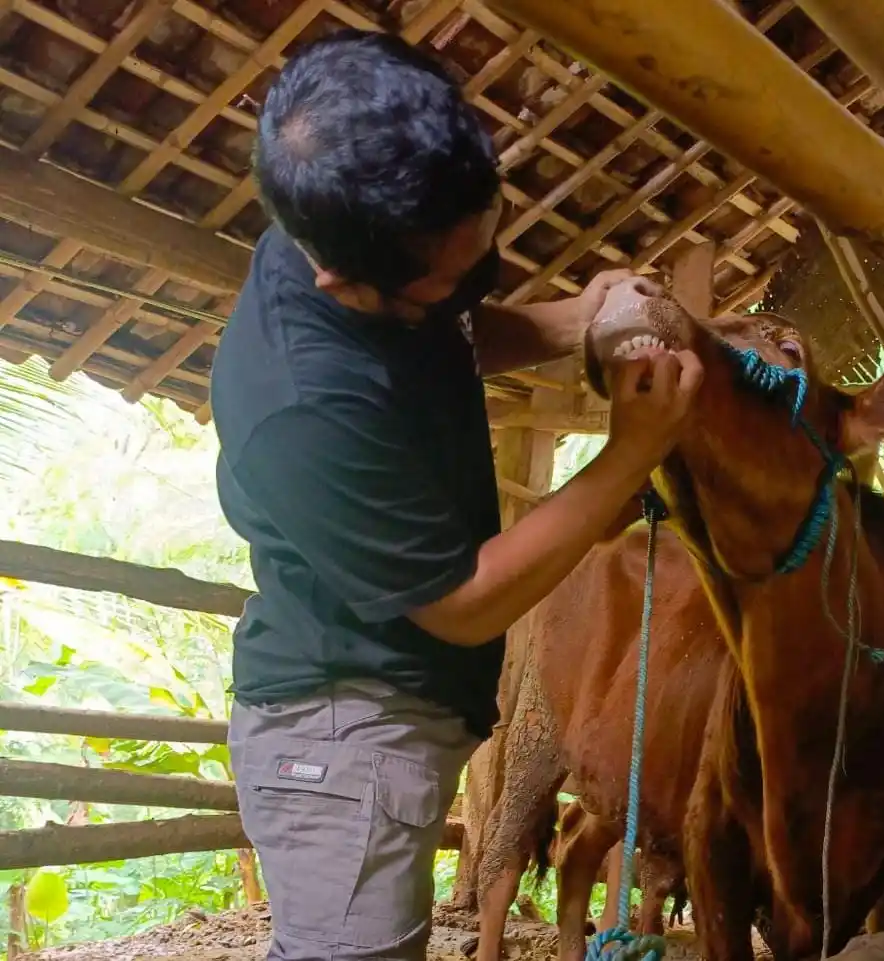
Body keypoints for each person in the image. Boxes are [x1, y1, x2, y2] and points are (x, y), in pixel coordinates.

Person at [208, 28, 702, 961]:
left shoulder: (349, 230)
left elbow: (449, 330)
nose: (467, 288)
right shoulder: (303, 405)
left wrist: (573, 319)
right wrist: (631, 452)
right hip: (339, 738)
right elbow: (466, 603)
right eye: (446, 281)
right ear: (339, 274)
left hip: (387, 722)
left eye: (483, 257)